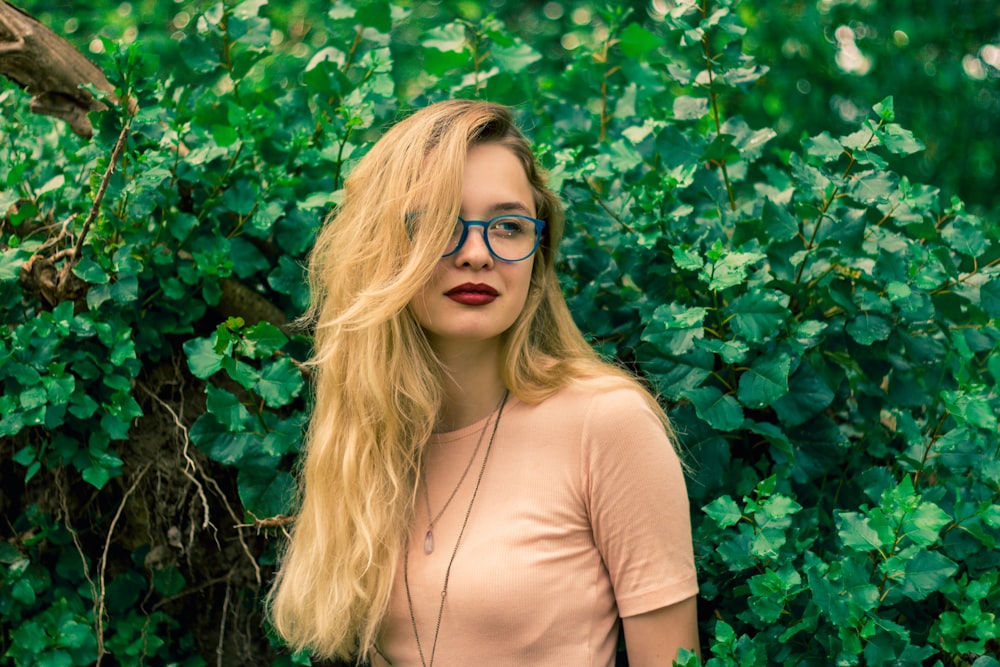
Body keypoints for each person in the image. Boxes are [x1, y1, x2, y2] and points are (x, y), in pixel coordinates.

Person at [267, 99, 699, 666]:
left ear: (537, 255)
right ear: (382, 247)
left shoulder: (606, 422)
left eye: (509, 226)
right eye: (440, 224)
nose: (477, 254)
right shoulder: (369, 439)